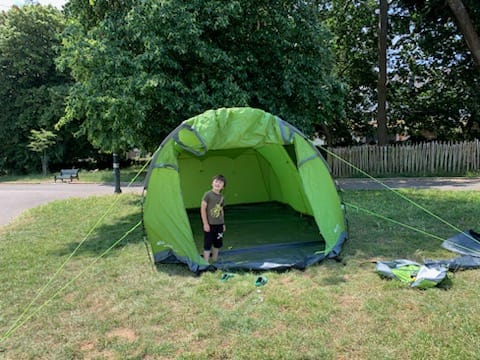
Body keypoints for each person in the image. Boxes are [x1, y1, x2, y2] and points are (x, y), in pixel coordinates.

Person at [201, 174, 226, 263]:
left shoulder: (222, 197)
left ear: (223, 186)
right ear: (212, 183)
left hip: (219, 225)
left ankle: (215, 260)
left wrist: (223, 224)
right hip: (210, 225)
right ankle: (205, 262)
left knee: (217, 243)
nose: (217, 184)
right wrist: (205, 223)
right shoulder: (207, 195)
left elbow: (221, 211)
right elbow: (203, 209)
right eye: (216, 181)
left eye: (220, 182)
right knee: (208, 243)